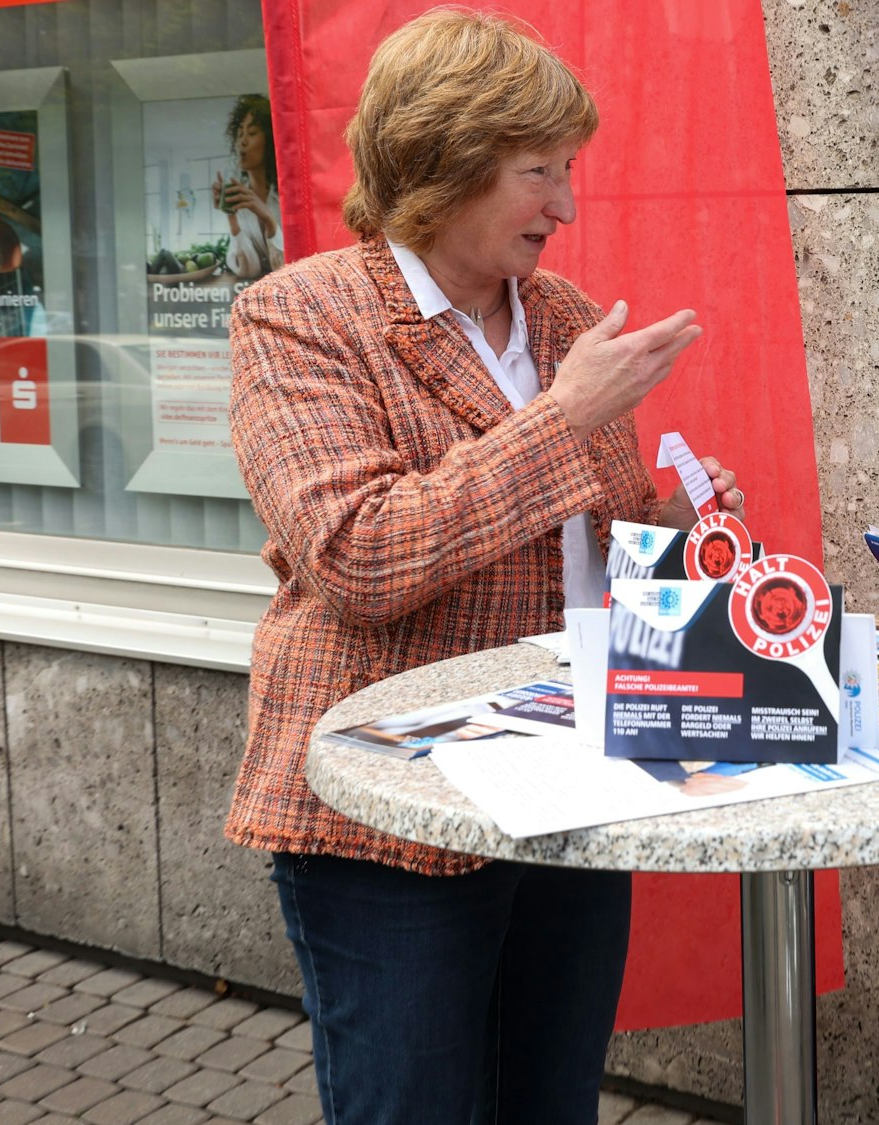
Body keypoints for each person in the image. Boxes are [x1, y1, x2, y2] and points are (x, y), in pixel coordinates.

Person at [223, 10, 744, 1124]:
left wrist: (673, 530)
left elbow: (575, 541)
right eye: (538, 172)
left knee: (549, 1103)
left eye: (568, 171)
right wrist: (561, 424)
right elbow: (357, 556)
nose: (566, 205)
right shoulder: (299, 317)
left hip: (571, 782)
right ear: (444, 162)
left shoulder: (558, 316)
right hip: (394, 814)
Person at [213, 93, 283, 280]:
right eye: (240, 134)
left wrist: (269, 220)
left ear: (269, 139)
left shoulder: (287, 195)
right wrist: (232, 217)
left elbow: (287, 268)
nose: (242, 141)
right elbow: (247, 271)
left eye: (251, 133)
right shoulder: (241, 198)